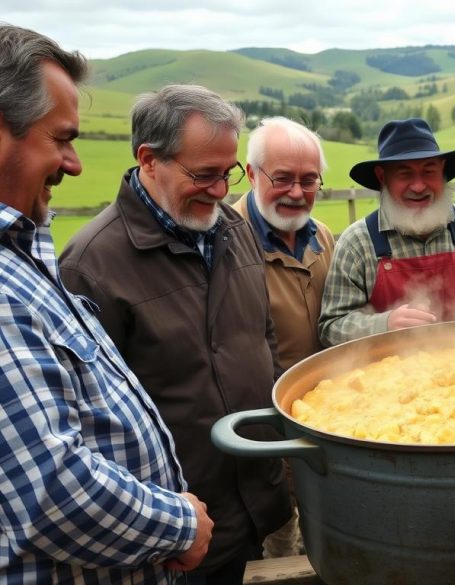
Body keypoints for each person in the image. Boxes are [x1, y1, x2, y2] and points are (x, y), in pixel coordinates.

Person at [0, 24, 212, 583]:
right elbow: (51, 489)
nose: (74, 163)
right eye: (62, 138)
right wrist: (179, 525)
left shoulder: (21, 256)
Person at [59, 84, 290, 583]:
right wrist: (162, 525)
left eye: (227, 173)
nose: (221, 190)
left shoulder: (234, 228)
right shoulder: (91, 266)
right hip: (175, 531)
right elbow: (85, 425)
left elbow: (261, 337)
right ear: (149, 160)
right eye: (204, 174)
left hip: (253, 503)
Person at [319, 117, 455, 344]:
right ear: (382, 177)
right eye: (405, 174)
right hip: (391, 374)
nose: (418, 186)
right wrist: (384, 324)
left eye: (428, 172)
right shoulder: (356, 242)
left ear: (442, 171)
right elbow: (331, 326)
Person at [233, 116, 333, 559]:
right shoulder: (226, 244)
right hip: (263, 432)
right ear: (252, 174)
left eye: (308, 180)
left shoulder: (324, 237)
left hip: (326, 423)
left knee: (328, 534)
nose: (297, 192)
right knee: (279, 541)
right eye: (283, 178)